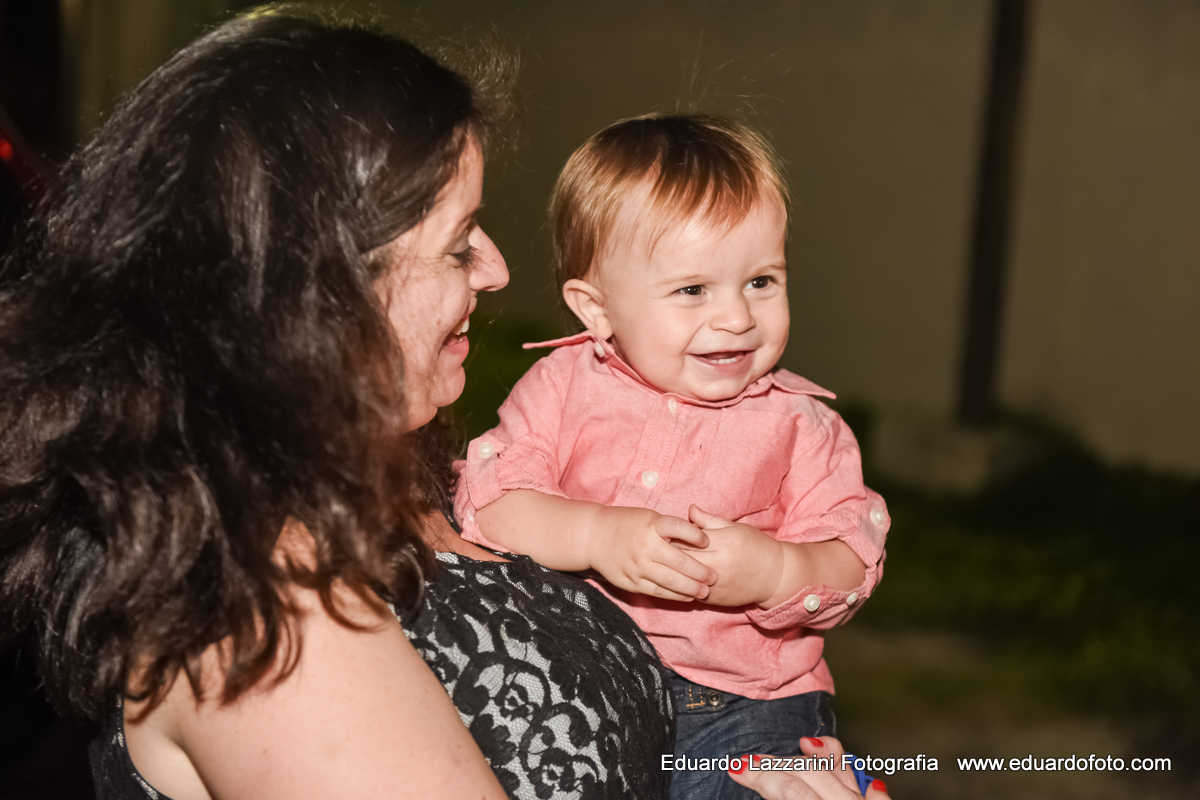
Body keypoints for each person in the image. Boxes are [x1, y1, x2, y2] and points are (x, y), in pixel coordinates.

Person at [0, 12, 683, 799]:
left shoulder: (418, 477)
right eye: (460, 242)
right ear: (321, 294)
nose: (493, 271)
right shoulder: (257, 612)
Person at [454, 114, 889, 799]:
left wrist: (775, 569)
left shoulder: (803, 427)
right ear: (595, 310)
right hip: (581, 684)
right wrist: (597, 534)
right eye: (693, 290)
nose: (738, 317)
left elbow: (851, 559)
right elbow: (488, 504)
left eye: (761, 281)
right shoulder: (564, 389)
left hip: (751, 711)